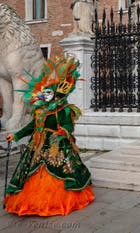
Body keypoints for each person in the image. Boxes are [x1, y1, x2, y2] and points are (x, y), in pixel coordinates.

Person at [3, 56, 94, 216]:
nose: (44, 94)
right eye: (43, 91)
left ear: (55, 93)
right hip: (37, 145)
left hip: (57, 145)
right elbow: (31, 127)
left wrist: (63, 131)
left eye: (48, 92)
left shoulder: (64, 110)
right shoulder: (39, 111)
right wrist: (15, 136)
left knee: (59, 172)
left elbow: (67, 125)